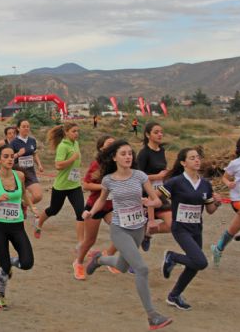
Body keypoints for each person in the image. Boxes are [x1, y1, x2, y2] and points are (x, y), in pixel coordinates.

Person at [84, 140, 172, 330]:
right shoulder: (108, 180)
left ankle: (99, 260)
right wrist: (90, 213)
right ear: (114, 157)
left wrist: (150, 204)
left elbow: (156, 200)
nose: (128, 157)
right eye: (123, 154)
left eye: (130, 154)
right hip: (119, 229)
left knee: (122, 266)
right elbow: (100, 201)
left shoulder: (140, 176)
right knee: (141, 269)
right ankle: (152, 316)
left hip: (137, 228)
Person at [161, 148, 220, 310]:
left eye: (198, 157)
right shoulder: (176, 182)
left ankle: (174, 296)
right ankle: (172, 257)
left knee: (194, 264)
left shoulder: (205, 185)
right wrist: (152, 211)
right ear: (183, 162)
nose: (196, 160)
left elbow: (210, 210)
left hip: (196, 229)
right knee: (201, 262)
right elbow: (158, 197)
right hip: (180, 228)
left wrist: (217, 202)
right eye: (192, 158)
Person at [0, 145, 33, 311]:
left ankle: (8, 262)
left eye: (12, 156)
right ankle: (1, 296)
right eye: (6, 156)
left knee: (27, 263)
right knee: (3, 268)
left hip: (17, 227)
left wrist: (31, 206)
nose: (10, 159)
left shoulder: (20, 176)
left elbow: (23, 193)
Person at [73, 135, 118, 280]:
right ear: (102, 148)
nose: (113, 146)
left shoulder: (118, 164)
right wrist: (105, 186)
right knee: (90, 240)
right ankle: (78, 263)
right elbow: (86, 185)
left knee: (122, 232)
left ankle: (108, 256)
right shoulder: (96, 164)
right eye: (109, 144)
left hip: (111, 206)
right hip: (95, 206)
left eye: (114, 143)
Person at [36, 123, 85, 247]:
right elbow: (58, 165)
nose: (76, 133)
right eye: (74, 131)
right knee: (54, 210)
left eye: (77, 131)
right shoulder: (63, 146)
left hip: (75, 185)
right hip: (61, 186)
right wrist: (72, 159)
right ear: (66, 133)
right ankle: (39, 223)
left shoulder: (76, 143)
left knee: (81, 213)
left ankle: (81, 243)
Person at [137, 122, 172, 251]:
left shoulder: (161, 150)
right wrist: (157, 177)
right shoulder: (144, 153)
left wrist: (167, 173)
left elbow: (161, 169)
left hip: (160, 192)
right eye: (156, 132)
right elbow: (138, 175)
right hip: (145, 195)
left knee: (172, 224)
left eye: (161, 132)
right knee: (135, 231)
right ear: (147, 134)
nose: (160, 134)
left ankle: (148, 233)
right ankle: (130, 259)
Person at [211, 134, 240, 266]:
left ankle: (217, 249)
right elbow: (225, 177)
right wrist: (228, 183)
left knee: (232, 230)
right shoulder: (235, 163)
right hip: (238, 199)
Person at [10, 119, 44, 204]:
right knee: (16, 195)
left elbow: (34, 154)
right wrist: (18, 154)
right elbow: (8, 158)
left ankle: (23, 205)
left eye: (28, 127)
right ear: (18, 128)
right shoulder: (13, 142)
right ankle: (18, 206)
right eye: (23, 127)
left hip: (30, 172)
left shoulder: (32, 140)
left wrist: (39, 165)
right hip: (17, 172)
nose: (26, 128)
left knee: (38, 196)